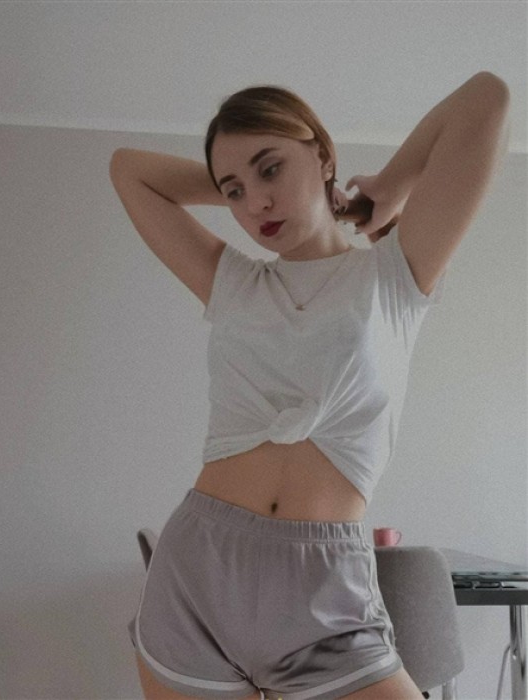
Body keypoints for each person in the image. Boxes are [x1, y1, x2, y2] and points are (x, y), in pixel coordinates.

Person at [109, 72, 510, 700]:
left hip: (326, 591)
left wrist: (391, 185)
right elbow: (128, 169)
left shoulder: (394, 276)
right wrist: (243, 185)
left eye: (270, 169)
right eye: (234, 190)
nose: (255, 204)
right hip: (196, 580)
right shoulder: (233, 283)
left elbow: (487, 98)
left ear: (323, 155)